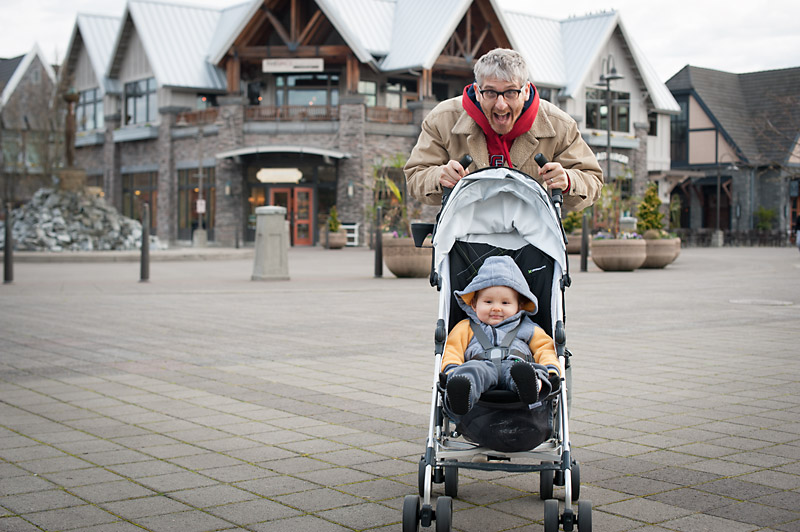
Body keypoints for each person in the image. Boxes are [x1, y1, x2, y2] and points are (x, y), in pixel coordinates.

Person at [404, 48, 603, 212]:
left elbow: (593, 180)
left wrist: (568, 180)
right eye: (490, 92)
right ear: (477, 91)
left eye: (510, 92)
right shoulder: (442, 119)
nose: (500, 105)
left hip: (534, 239)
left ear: (525, 91)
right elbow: (415, 177)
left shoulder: (560, 124)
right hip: (464, 237)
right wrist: (438, 176)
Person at [442, 255, 560, 417]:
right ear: (474, 304)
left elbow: (544, 348)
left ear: (519, 306)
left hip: (516, 364)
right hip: (481, 365)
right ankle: (463, 393)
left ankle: (532, 386)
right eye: (488, 302)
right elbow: (452, 349)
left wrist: (551, 368)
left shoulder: (527, 327)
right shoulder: (465, 327)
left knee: (532, 370)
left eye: (505, 303)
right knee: (470, 372)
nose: (496, 308)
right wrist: (452, 369)